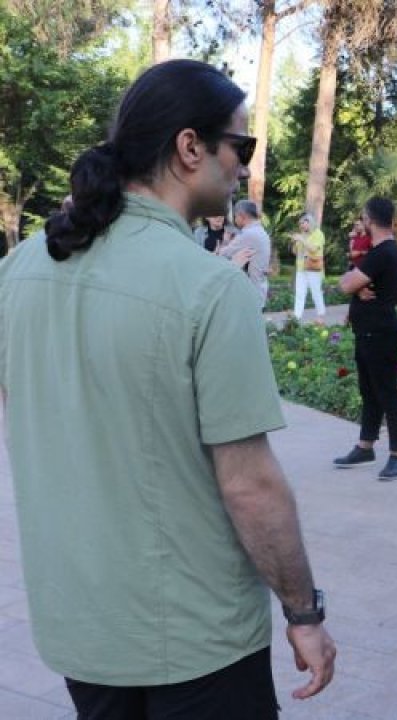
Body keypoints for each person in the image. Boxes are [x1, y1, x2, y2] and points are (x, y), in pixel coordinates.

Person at [0, 59, 335, 718]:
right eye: (241, 146)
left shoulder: (19, 269)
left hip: (80, 625)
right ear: (190, 147)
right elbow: (251, 485)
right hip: (194, 636)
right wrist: (304, 611)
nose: (244, 165)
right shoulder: (209, 288)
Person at [333, 197, 397, 481]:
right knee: (369, 390)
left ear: (370, 219)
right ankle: (366, 446)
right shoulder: (377, 252)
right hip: (368, 331)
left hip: (380, 333)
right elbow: (353, 284)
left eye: (363, 217)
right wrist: (356, 286)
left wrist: (354, 284)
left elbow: (345, 284)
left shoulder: (384, 252)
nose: (361, 222)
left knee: (387, 392)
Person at [220, 199, 272, 307]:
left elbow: (224, 254)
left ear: (242, 216)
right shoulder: (260, 231)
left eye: (235, 216)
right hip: (259, 288)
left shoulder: (248, 234)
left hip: (251, 293)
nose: (234, 219)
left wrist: (225, 240)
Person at [292, 212, 327, 323]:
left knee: (316, 292)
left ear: (310, 222)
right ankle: (296, 318)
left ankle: (320, 315)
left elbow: (313, 249)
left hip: (313, 268)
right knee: (299, 293)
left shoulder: (318, 234)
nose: (301, 225)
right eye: (300, 223)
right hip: (301, 268)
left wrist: (302, 240)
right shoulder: (302, 234)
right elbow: (295, 252)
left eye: (303, 223)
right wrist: (295, 242)